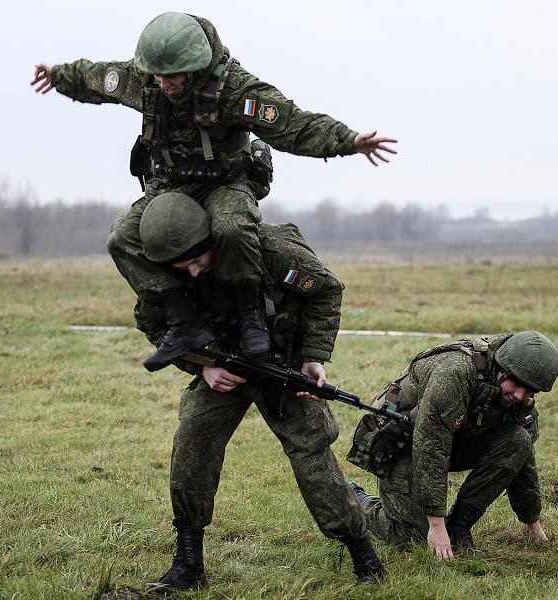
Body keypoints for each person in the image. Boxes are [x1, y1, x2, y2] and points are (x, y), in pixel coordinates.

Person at [31, 11, 397, 369]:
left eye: (171, 76)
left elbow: (292, 124)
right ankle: (182, 320)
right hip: (171, 186)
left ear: (193, 66)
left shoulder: (234, 90)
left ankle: (250, 312)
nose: (163, 82)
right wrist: (58, 75)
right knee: (122, 238)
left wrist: (347, 140)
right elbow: (97, 78)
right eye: (157, 74)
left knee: (230, 227)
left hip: (227, 184)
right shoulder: (145, 79)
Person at [130, 192, 386, 591]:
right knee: (192, 443)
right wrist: (204, 365)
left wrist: (312, 356)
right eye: (184, 268)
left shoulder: (271, 250)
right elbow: (154, 326)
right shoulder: (167, 278)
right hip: (222, 369)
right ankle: (188, 565)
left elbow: (326, 291)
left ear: (211, 243)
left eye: (198, 262)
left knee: (312, 454)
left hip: (283, 368)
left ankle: (364, 557)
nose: (193, 274)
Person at [345, 332, 558, 559]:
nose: (519, 395)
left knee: (518, 440)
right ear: (501, 367)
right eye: (516, 384)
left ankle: (458, 527)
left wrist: (532, 522)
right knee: (412, 537)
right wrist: (436, 525)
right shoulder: (455, 371)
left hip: (449, 441)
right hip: (399, 444)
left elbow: (522, 457)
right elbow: (431, 445)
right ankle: (356, 498)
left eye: (529, 391)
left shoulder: (517, 398)